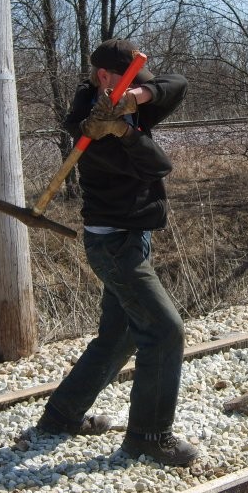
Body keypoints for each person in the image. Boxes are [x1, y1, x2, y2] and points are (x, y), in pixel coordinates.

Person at [36, 39, 198, 467]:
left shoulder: (129, 101)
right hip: (115, 243)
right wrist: (124, 131)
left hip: (129, 236)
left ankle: (61, 416)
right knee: (165, 332)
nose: (139, 93)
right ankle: (149, 436)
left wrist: (137, 97)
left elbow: (178, 84)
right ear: (104, 77)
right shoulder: (92, 128)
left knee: (121, 333)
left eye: (141, 87)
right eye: (130, 85)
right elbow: (158, 165)